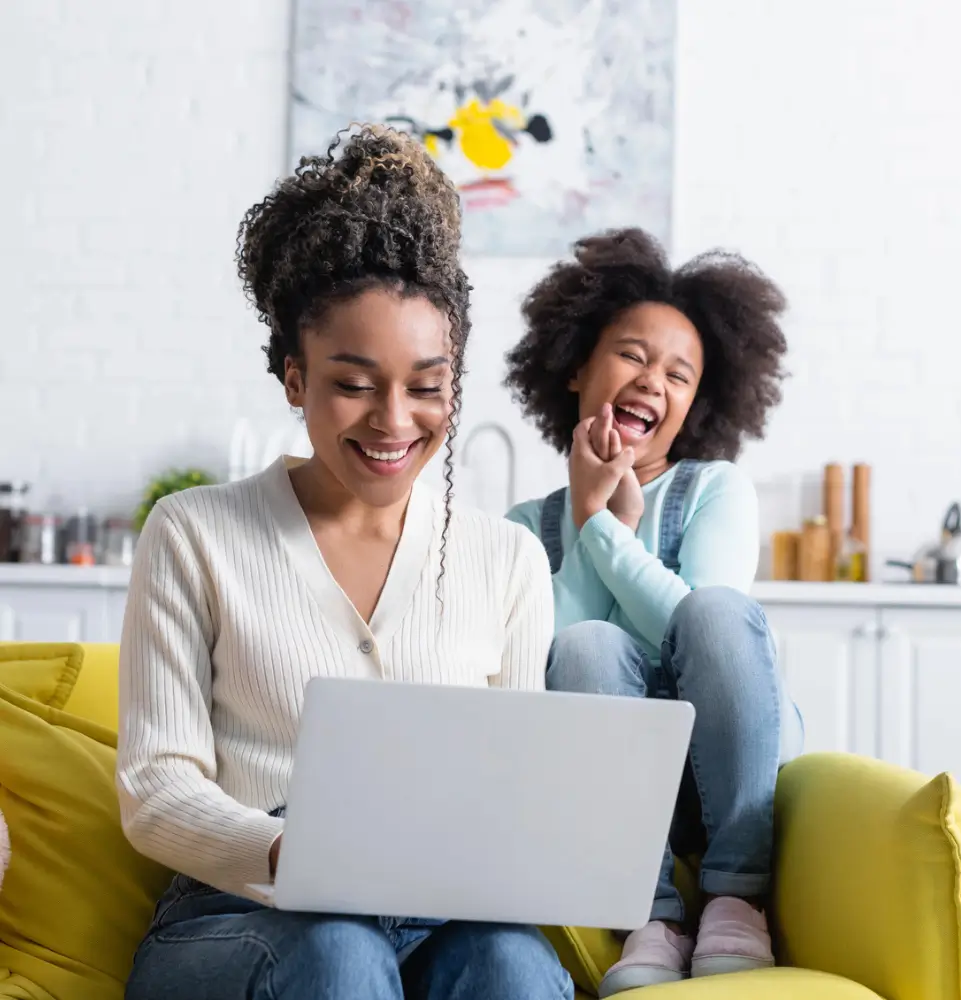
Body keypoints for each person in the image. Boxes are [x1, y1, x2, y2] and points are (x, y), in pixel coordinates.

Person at [116, 125, 573, 1000]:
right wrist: (301, 854)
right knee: (336, 950)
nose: (394, 420)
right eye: (354, 383)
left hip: (437, 910)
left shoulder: (509, 559)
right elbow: (156, 789)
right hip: (238, 915)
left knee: (514, 963)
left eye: (427, 384)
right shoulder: (193, 533)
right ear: (295, 377)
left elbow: (515, 798)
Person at [505, 228, 803, 996]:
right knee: (586, 646)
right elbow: (546, 662)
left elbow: (699, 630)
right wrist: (582, 510)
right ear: (577, 366)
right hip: (612, 794)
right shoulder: (518, 528)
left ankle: (737, 897)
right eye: (633, 356)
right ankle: (654, 917)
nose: (653, 381)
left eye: (679, 374)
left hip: (727, 766)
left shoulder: (716, 490)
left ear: (696, 402)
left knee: (710, 610)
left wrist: (605, 528)